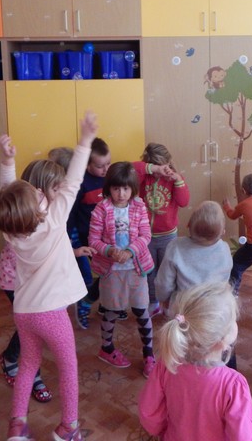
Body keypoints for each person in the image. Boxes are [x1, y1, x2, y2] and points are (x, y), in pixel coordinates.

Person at [0, 111, 98, 441]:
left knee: (28, 364)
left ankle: (17, 425)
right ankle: (69, 428)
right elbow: (73, 181)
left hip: (24, 312)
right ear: (34, 207)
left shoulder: (12, 230)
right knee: (68, 368)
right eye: (34, 193)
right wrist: (85, 141)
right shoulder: (54, 220)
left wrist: (8, 161)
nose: (38, 191)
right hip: (51, 314)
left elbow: (9, 194)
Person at [138, 281, 252, 441]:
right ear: (221, 342)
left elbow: (148, 413)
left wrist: (162, 431)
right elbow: (245, 437)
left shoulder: (167, 364)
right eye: (233, 321)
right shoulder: (233, 385)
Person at [0, 142, 62, 403]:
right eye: (56, 188)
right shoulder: (21, 211)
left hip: (39, 283)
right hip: (16, 281)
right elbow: (7, 188)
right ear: (39, 190)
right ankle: (30, 373)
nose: (61, 193)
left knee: (30, 327)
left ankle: (11, 357)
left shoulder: (52, 210)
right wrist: (8, 161)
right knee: (33, 330)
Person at [88, 161, 156, 378]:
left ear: (132, 188)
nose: (121, 194)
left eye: (125, 188)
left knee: (142, 311)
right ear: (109, 188)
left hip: (136, 269)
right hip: (112, 271)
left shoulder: (139, 206)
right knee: (111, 310)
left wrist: (130, 251)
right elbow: (93, 239)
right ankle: (106, 348)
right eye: (116, 188)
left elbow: (145, 235)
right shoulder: (101, 209)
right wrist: (109, 251)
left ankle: (149, 354)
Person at [133, 143, 190, 318]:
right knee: (149, 272)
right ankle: (153, 302)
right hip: (146, 237)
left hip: (168, 236)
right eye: (154, 167)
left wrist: (178, 179)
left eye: (161, 166)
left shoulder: (174, 179)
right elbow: (131, 169)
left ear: (168, 162)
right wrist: (152, 169)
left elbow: (184, 202)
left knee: (168, 273)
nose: (159, 172)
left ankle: (169, 303)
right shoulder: (143, 177)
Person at [67, 137, 112, 329]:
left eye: (108, 163)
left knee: (110, 272)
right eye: (101, 166)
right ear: (87, 165)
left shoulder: (111, 177)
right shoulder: (81, 183)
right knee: (107, 272)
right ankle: (86, 302)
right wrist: (70, 238)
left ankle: (103, 303)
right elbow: (70, 213)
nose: (106, 169)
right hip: (88, 238)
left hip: (109, 236)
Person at [154, 200, 232, 309]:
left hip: (184, 307)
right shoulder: (225, 249)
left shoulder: (176, 246)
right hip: (215, 307)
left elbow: (164, 282)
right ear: (223, 232)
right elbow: (224, 280)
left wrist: (163, 298)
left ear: (188, 225)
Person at [224, 173, 252, 295]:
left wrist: (226, 206)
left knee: (237, 263)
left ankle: (233, 291)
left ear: (243, 190)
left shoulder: (244, 204)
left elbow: (232, 215)